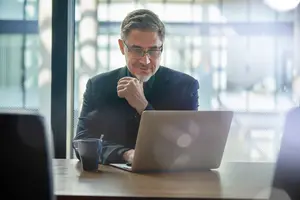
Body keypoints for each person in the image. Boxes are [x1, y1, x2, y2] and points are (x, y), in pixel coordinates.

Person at [73, 9, 199, 165]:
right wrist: (125, 154)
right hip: (111, 183)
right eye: (137, 50)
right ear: (122, 47)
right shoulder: (98, 86)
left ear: (162, 48)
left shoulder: (185, 87)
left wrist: (144, 107)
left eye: (153, 50)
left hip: (167, 181)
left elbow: (187, 146)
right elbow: (82, 143)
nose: (145, 61)